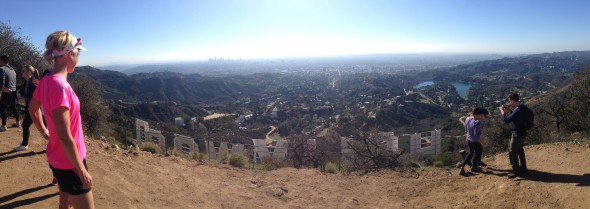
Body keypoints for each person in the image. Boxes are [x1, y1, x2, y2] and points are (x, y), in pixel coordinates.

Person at [30, 30, 94, 209]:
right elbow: (65, 136)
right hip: (71, 163)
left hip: (58, 158)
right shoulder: (60, 87)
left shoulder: (47, 80)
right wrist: (81, 170)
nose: (78, 59)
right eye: (78, 53)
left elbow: (32, 108)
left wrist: (44, 132)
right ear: (70, 54)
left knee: (64, 202)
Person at [499, 92, 529, 178]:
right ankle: (524, 168)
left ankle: (516, 171)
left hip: (517, 134)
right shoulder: (521, 107)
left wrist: (503, 112)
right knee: (520, 150)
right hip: (523, 133)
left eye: (509, 101)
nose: (509, 102)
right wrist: (509, 111)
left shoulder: (518, 110)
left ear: (512, 100)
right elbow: (516, 116)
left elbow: (506, 120)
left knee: (512, 152)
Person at [13, 65, 40, 151]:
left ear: (29, 72)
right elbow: (21, 90)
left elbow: (37, 96)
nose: (22, 72)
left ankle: (25, 145)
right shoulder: (27, 82)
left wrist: (24, 98)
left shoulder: (33, 82)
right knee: (26, 125)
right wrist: (18, 93)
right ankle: (24, 144)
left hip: (36, 108)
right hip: (31, 108)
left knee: (26, 125)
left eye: (23, 71)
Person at [459, 107, 489, 176]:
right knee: (479, 150)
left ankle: (462, 167)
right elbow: (476, 136)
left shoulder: (467, 118)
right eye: (485, 116)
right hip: (475, 141)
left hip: (469, 139)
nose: (485, 118)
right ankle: (474, 166)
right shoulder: (477, 122)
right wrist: (482, 143)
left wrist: (467, 138)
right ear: (481, 114)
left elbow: (466, 130)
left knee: (471, 153)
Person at [0, 55, 20, 131]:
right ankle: (18, 122)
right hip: (13, 91)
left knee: (3, 107)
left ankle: (4, 126)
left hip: (6, 91)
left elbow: (2, 82)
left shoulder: (2, 69)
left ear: (2, 61)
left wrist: (0, 91)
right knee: (13, 107)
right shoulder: (13, 70)